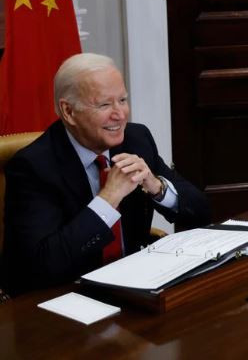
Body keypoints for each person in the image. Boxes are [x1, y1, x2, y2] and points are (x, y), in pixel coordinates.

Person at [2, 53, 211, 295]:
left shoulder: (136, 139)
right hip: (66, 297)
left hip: (135, 285)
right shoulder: (33, 166)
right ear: (68, 112)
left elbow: (201, 212)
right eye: (104, 104)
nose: (120, 114)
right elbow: (42, 265)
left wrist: (156, 187)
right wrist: (108, 199)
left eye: (122, 100)